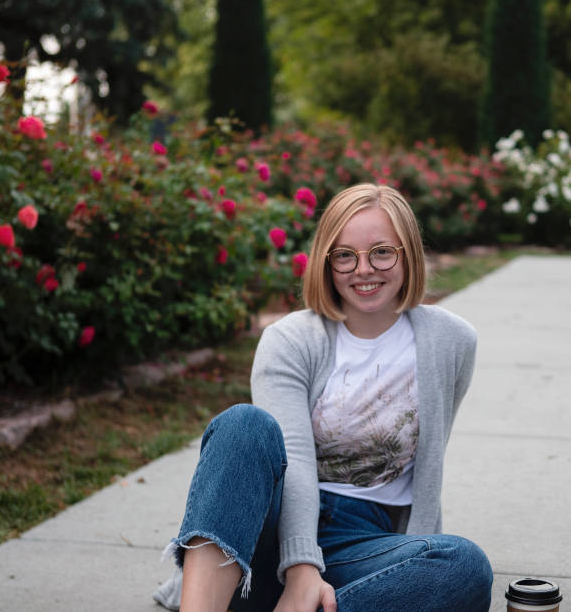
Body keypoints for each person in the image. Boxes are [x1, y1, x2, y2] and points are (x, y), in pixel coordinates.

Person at [153, 183, 493, 612]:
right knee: (244, 425)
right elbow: (292, 462)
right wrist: (300, 570)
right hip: (266, 538)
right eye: (345, 255)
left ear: (408, 253)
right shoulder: (290, 340)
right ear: (327, 262)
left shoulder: (451, 340)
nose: (363, 269)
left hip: (364, 547)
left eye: (382, 252)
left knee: (462, 565)